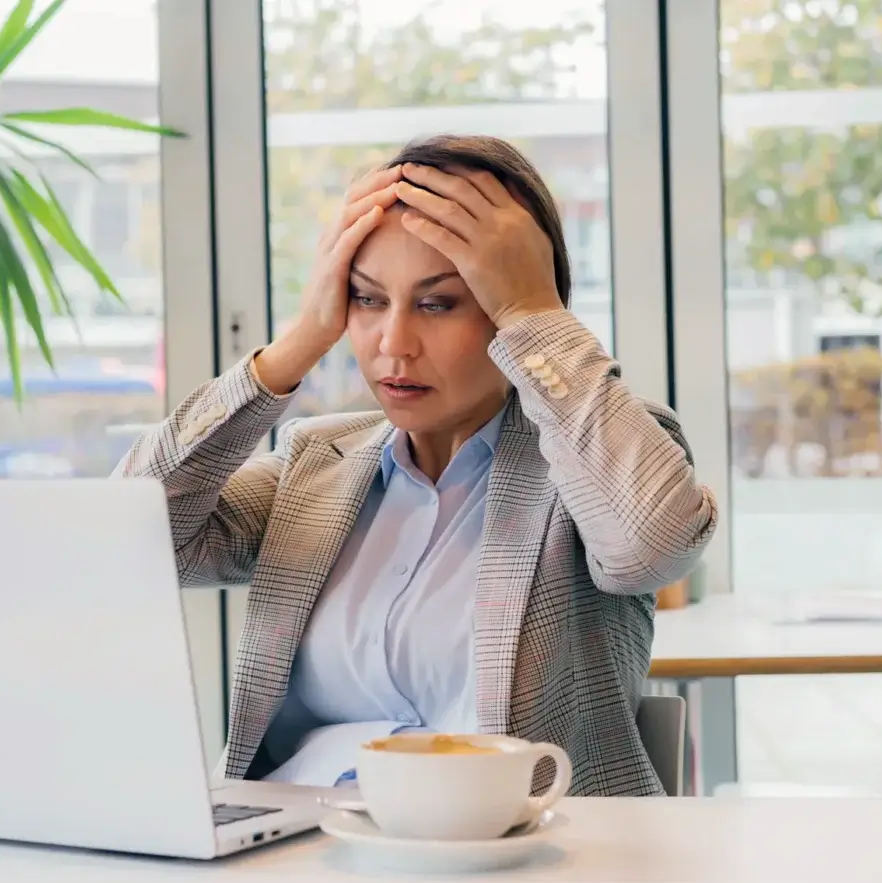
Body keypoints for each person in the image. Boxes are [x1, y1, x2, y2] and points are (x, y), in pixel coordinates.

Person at [116, 135, 717, 796]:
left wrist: (535, 313)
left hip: (524, 875)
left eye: (437, 303)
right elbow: (131, 536)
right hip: (300, 862)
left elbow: (648, 547)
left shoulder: (590, 461)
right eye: (368, 300)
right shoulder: (318, 465)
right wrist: (297, 344)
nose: (393, 344)